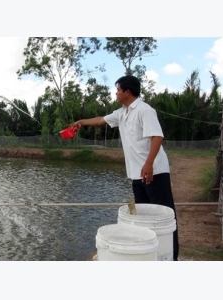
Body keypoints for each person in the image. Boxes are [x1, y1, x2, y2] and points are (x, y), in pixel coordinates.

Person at [73, 75, 179, 261]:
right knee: (142, 217)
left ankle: (171, 257)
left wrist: (148, 164)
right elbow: (101, 120)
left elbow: (157, 137)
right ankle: (151, 255)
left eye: (118, 90)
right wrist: (81, 122)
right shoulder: (123, 112)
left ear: (127, 92)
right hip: (137, 175)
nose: (116, 93)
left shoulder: (145, 110)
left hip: (155, 172)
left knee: (163, 218)